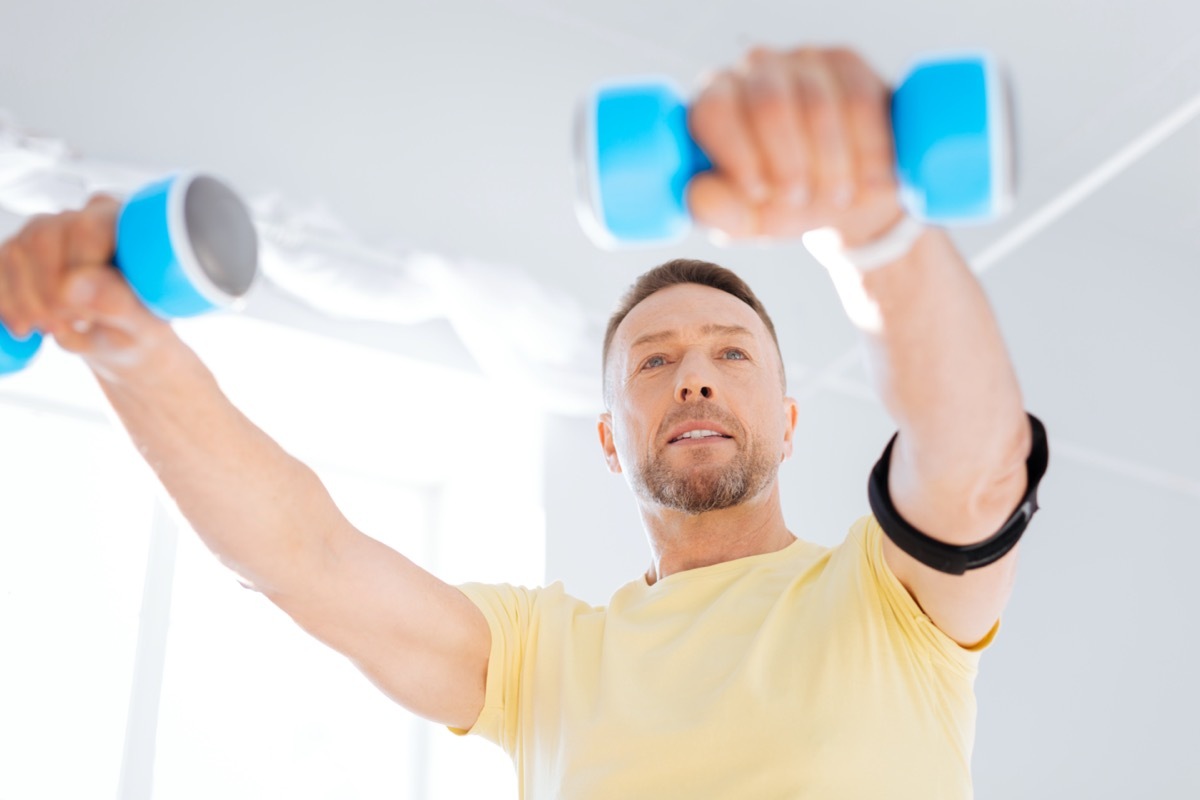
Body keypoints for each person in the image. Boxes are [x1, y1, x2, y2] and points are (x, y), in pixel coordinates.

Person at [0, 47, 1046, 798]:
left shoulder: (885, 596)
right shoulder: (541, 658)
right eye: (655, 360)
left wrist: (870, 219)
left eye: (732, 354)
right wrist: (125, 345)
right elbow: (304, 556)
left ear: (787, 414)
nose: (694, 378)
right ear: (607, 435)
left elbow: (976, 464)